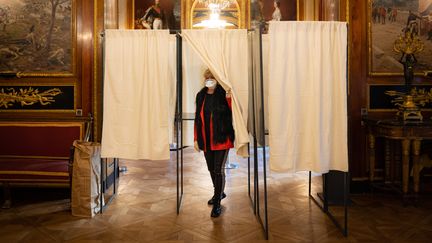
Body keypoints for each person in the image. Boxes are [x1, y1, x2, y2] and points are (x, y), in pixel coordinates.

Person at [194, 69, 235, 218]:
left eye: (212, 78)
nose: (209, 80)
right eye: (207, 78)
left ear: (217, 79)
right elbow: (197, 119)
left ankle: (217, 201)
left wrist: (229, 97)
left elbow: (234, 113)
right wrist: (195, 139)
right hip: (206, 139)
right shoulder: (201, 96)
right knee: (211, 168)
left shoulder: (224, 95)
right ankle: (220, 192)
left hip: (222, 139)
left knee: (218, 170)